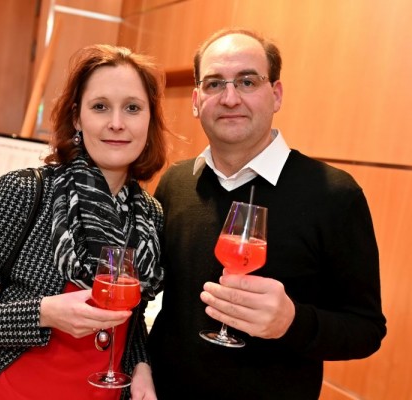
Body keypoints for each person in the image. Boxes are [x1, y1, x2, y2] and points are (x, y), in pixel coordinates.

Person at [0, 44, 169, 400]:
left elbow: (131, 316)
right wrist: (41, 313)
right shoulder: (26, 191)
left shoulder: (149, 215)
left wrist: (141, 364)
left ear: (149, 119)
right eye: (100, 107)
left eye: (132, 108)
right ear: (77, 118)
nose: (117, 122)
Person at [148, 28, 387, 399]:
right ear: (196, 101)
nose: (230, 98)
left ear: (276, 95)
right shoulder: (175, 183)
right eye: (214, 84)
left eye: (247, 82)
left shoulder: (335, 195)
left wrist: (291, 322)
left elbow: (366, 330)